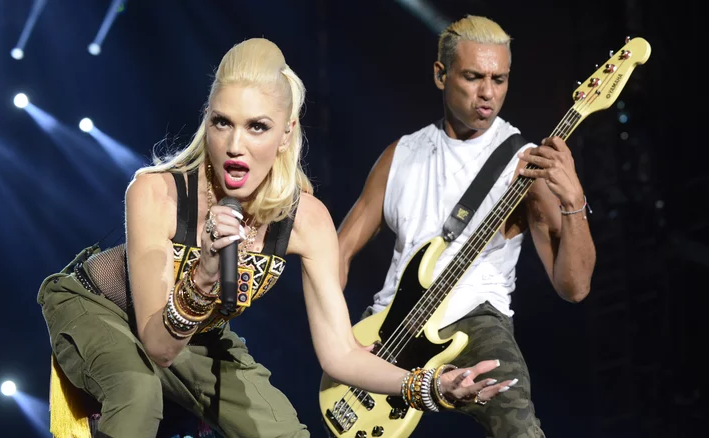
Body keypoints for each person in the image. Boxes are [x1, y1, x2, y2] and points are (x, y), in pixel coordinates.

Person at [37, 37, 517, 438]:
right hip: (100, 309)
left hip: (196, 330)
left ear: (286, 134)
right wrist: (204, 278)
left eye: (257, 127)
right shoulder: (155, 193)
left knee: (280, 430)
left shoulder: (307, 221)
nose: (236, 145)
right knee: (138, 395)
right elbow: (158, 345)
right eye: (222, 122)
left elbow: (342, 353)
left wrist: (430, 385)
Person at [337, 15, 597, 438]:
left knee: (518, 425)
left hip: (477, 318)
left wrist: (574, 203)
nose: (488, 93)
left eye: (500, 78)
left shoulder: (525, 163)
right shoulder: (400, 155)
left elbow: (575, 288)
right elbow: (337, 253)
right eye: (474, 77)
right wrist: (340, 342)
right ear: (441, 75)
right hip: (391, 325)